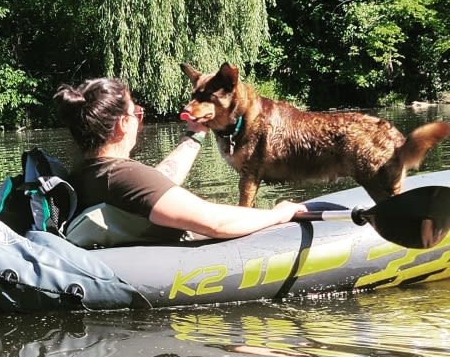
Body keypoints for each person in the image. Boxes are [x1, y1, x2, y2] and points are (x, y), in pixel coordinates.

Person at [54, 76, 307, 244]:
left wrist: (195, 135)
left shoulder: (87, 171)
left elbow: (156, 184)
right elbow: (215, 222)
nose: (139, 121)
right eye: (137, 114)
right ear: (122, 124)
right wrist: (279, 214)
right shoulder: (121, 176)